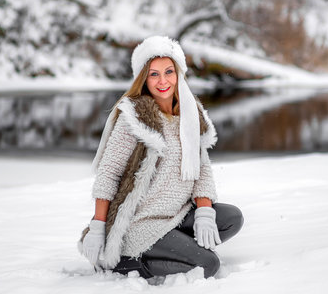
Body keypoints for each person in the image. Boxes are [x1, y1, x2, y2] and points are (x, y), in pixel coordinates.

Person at [78, 36, 243, 279]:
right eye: (154, 74)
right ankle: (128, 263)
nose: (163, 80)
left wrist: (205, 213)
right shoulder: (134, 117)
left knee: (232, 218)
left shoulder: (190, 113)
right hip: (142, 222)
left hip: (178, 214)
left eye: (168, 71)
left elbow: (202, 169)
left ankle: (172, 248)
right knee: (208, 265)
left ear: (179, 73)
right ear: (143, 78)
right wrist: (98, 225)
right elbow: (108, 172)